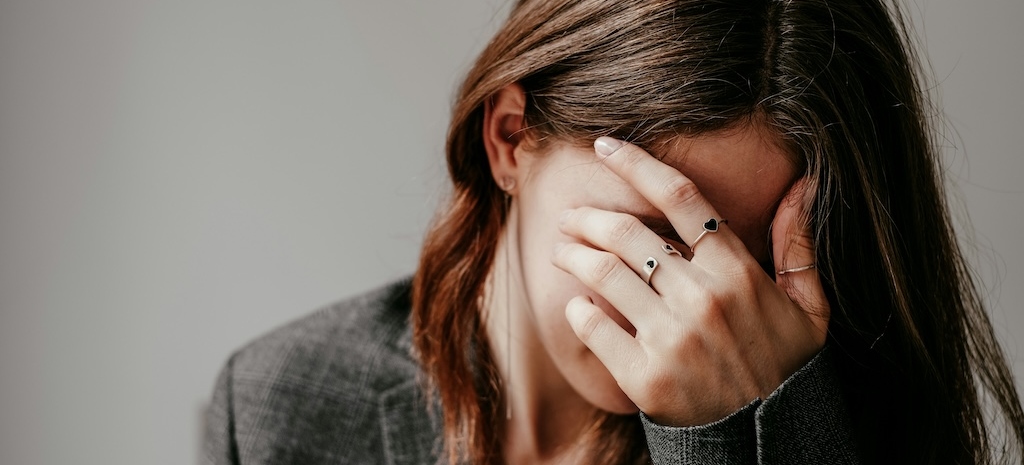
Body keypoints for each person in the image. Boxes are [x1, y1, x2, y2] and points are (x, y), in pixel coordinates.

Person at [203, 0, 1024, 463]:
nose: (698, 311)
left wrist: (726, 435)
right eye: (648, 239)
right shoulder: (278, 405)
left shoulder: (841, 438)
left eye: (744, 261)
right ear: (510, 139)